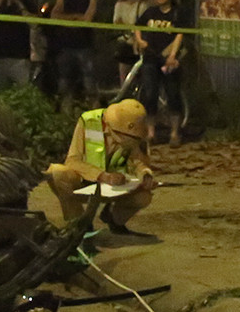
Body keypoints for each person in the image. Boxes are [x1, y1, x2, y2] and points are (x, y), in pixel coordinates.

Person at [44, 97, 156, 234]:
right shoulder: (89, 122)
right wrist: (103, 176)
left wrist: (145, 174)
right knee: (57, 172)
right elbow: (73, 161)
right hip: (84, 184)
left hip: (114, 188)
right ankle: (78, 226)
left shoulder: (133, 134)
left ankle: (114, 219)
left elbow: (137, 161)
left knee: (143, 197)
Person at [133, 0, 186, 147]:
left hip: (168, 59)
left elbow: (180, 35)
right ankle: (151, 133)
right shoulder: (150, 12)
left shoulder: (177, 14)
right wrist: (140, 40)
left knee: (173, 95)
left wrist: (172, 55)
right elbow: (137, 27)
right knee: (150, 95)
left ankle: (175, 133)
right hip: (150, 58)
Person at [47, 0, 101, 105]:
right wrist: (76, 17)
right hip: (66, 45)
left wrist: (66, 20)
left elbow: (88, 19)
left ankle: (95, 119)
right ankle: (66, 121)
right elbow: (54, 15)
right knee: (64, 86)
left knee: (90, 84)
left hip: (84, 46)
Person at [109, 0, 144, 88]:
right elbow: (117, 23)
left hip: (138, 44)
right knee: (124, 76)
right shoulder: (119, 4)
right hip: (125, 43)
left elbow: (141, 23)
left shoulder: (142, 5)